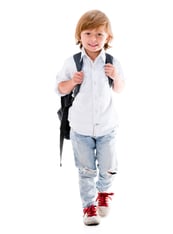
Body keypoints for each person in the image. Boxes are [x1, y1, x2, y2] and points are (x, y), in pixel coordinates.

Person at [55, 9, 125, 226]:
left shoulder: (111, 62)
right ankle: (88, 207)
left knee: (108, 166)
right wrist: (73, 82)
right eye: (88, 34)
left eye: (99, 35)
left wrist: (115, 76)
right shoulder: (72, 62)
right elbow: (60, 89)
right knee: (86, 171)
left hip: (107, 126)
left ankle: (103, 192)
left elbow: (120, 89)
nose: (93, 40)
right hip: (80, 128)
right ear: (79, 36)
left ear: (107, 37)